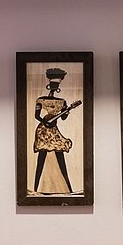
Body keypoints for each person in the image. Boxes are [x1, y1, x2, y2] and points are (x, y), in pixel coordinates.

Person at [31, 66, 83, 194]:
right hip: (43, 131)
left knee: (60, 157)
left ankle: (69, 188)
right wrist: (45, 122)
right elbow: (37, 116)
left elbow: (63, 118)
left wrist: (67, 110)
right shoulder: (41, 99)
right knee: (41, 158)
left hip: (54, 130)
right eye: (53, 84)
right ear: (49, 84)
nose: (54, 86)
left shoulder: (62, 101)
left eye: (57, 84)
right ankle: (35, 189)